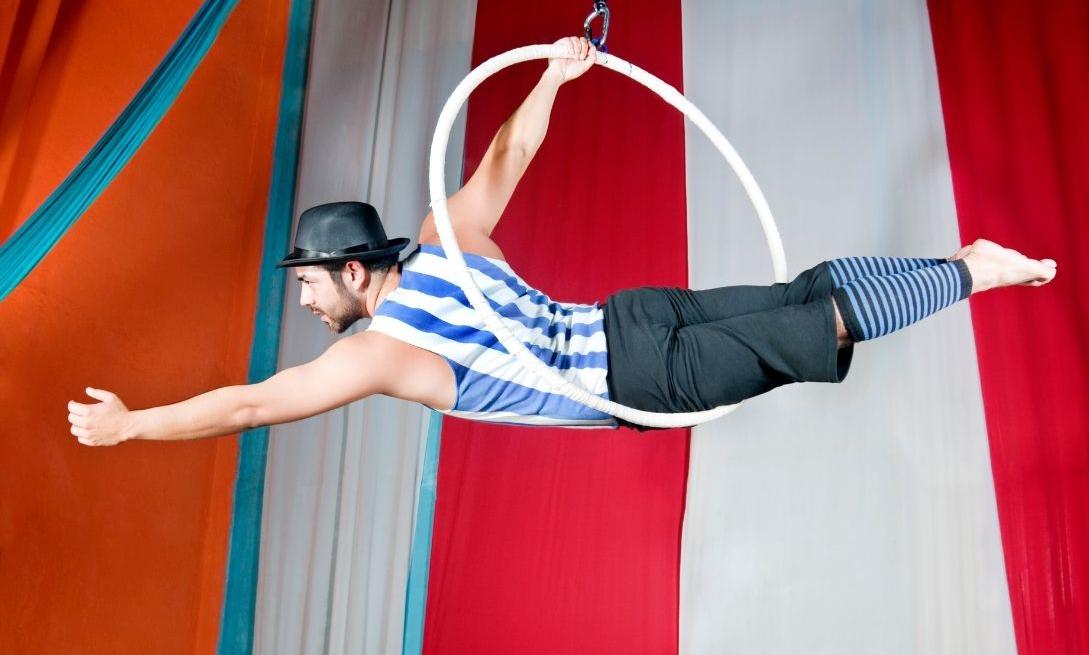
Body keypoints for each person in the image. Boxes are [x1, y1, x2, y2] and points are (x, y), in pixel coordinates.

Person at [66, 36, 1057, 445]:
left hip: (636, 379)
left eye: (310, 285)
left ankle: (969, 272)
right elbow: (507, 152)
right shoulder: (444, 235)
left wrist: (136, 424)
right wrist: (555, 74)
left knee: (822, 327)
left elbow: (250, 402)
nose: (306, 303)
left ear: (353, 271)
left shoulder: (378, 353)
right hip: (635, 316)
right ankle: (963, 261)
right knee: (806, 303)